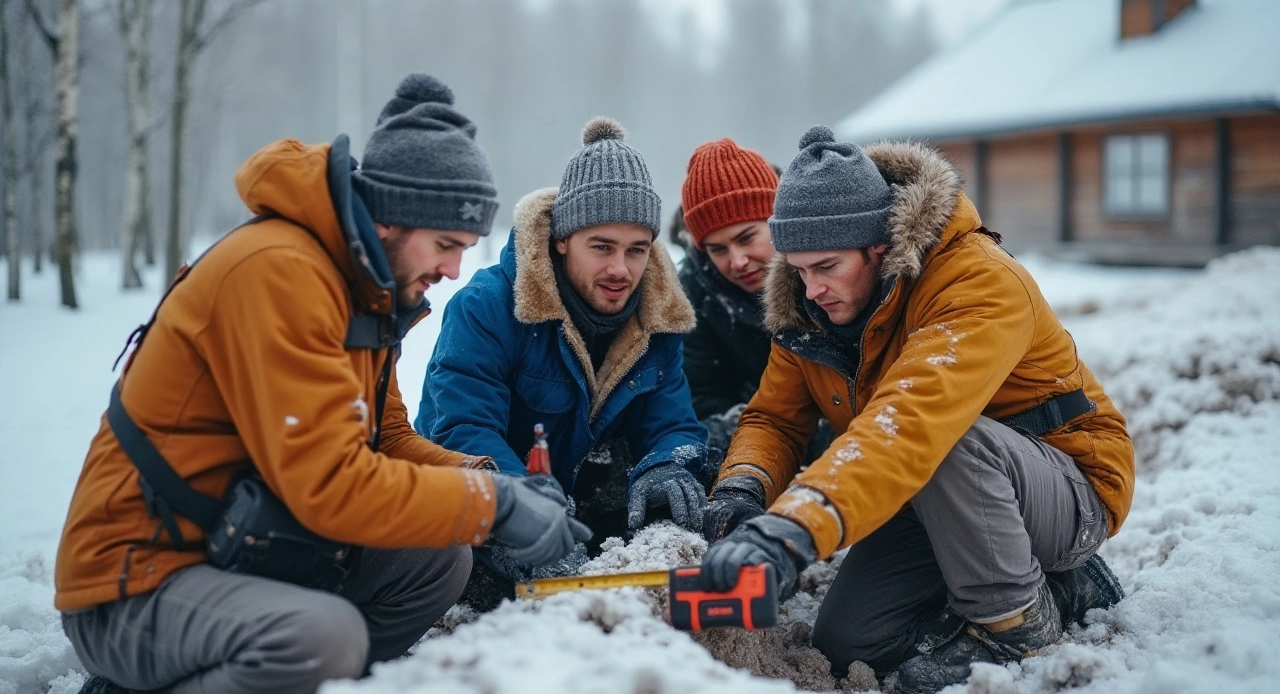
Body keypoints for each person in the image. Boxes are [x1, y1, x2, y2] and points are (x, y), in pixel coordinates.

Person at [55, 74, 588, 694]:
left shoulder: (362, 289)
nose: (452, 271)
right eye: (445, 244)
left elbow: (386, 438)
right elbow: (327, 486)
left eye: (464, 248)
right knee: (319, 638)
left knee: (439, 559)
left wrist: (493, 482)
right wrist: (492, 507)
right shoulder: (280, 274)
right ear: (391, 218)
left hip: (241, 551)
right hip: (136, 579)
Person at [698, 127, 1134, 693]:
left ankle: (1018, 624)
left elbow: (911, 422)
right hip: (932, 493)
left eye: (827, 267)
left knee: (953, 440)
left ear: (880, 246)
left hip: (1064, 485)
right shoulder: (804, 304)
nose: (811, 290)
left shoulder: (976, 281)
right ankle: (1054, 586)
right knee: (850, 643)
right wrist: (744, 489)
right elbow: (775, 418)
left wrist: (793, 530)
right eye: (800, 269)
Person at [415, 117, 708, 605]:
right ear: (561, 239)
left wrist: (667, 465)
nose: (621, 269)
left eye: (637, 250)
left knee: (694, 495)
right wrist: (520, 509)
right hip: (477, 501)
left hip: (579, 500)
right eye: (602, 248)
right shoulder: (487, 306)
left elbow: (672, 422)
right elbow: (462, 430)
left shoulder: (658, 317)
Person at [674, 139, 834, 508]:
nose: (738, 261)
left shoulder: (832, 267)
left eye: (747, 238)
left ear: (777, 222)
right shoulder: (694, 299)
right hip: (759, 449)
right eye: (717, 249)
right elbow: (703, 402)